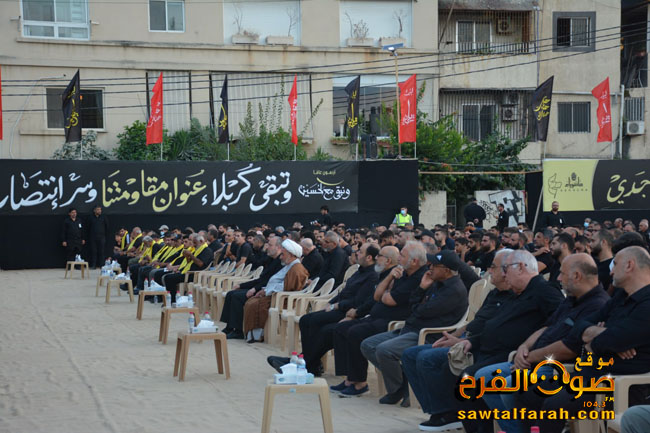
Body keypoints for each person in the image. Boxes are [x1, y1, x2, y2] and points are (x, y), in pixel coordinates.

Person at [402, 250, 564, 431]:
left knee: (469, 379)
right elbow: (494, 326)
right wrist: (471, 341)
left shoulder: (545, 291)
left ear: (520, 267)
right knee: (455, 372)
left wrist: (529, 348)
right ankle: (460, 420)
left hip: (512, 354)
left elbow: (558, 325)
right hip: (487, 347)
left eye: (505, 269)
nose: (504, 274)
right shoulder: (518, 292)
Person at [515, 247, 650, 433]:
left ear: (629, 265)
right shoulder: (620, 296)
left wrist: (597, 339)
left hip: (618, 385)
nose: (610, 272)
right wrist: (604, 334)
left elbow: (612, 340)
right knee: (525, 390)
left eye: (615, 265)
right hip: (588, 375)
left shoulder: (646, 304)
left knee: (555, 404)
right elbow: (579, 328)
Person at [474, 253, 610, 433]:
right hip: (535, 360)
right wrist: (524, 346)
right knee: (483, 377)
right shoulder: (571, 299)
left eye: (562, 273)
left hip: (557, 367)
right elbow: (547, 326)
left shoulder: (597, 305)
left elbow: (568, 348)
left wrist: (530, 357)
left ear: (577, 276)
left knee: (509, 385)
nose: (558, 278)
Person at [401, 248, 514, 431]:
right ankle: (438, 410)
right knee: (410, 354)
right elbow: (474, 322)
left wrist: (462, 341)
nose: (488, 271)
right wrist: (455, 336)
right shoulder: (495, 293)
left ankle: (447, 413)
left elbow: (421, 311)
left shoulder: (455, 289)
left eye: (493, 267)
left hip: (478, 344)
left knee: (426, 358)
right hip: (462, 337)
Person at [360, 249, 468, 404]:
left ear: (446, 270)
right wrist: (422, 288)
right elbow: (415, 306)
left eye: (435, 266)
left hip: (428, 334)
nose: (430, 268)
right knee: (368, 345)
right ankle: (404, 385)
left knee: (384, 350)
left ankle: (398, 390)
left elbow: (423, 311)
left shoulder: (454, 289)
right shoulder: (436, 283)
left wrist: (419, 304)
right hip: (412, 328)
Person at [269, 243, 380, 375]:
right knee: (305, 320)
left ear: (369, 257)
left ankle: (304, 362)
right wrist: (331, 302)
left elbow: (358, 301)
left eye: (360, 252)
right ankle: (310, 363)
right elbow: (343, 292)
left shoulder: (372, 276)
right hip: (339, 307)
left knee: (317, 324)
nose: (356, 253)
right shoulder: (359, 272)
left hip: (349, 311)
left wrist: (337, 305)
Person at [330, 244, 424, 397]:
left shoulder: (417, 278)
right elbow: (377, 296)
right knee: (342, 328)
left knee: (355, 332)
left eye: (402, 256)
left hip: (393, 321)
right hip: (377, 316)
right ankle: (350, 379)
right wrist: (390, 277)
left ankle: (360, 383)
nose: (399, 259)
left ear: (414, 261)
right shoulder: (402, 273)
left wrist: (386, 292)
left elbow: (389, 299)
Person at [242, 239, 309, 343]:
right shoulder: (290, 265)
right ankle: (253, 334)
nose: (281, 257)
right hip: (274, 294)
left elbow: (286, 287)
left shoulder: (296, 269)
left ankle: (257, 336)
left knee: (255, 304)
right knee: (251, 302)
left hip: (283, 299)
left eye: (283, 254)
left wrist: (266, 291)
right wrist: (265, 290)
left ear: (291, 255)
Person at [221, 237, 284, 339]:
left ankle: (238, 331)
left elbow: (269, 282)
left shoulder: (280, 263)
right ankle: (229, 327)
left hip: (267, 291)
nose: (267, 247)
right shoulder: (270, 259)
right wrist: (241, 285)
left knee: (237, 297)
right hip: (261, 287)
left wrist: (254, 289)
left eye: (270, 245)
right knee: (231, 294)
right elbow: (260, 279)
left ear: (279, 247)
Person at [161, 234, 213, 303]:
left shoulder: (207, 250)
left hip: (195, 274)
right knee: (167, 276)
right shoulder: (197, 249)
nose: (194, 245)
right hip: (188, 271)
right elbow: (189, 262)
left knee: (169, 278)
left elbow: (200, 264)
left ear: (201, 241)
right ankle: (171, 299)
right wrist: (187, 256)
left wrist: (190, 255)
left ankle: (173, 300)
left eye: (195, 243)